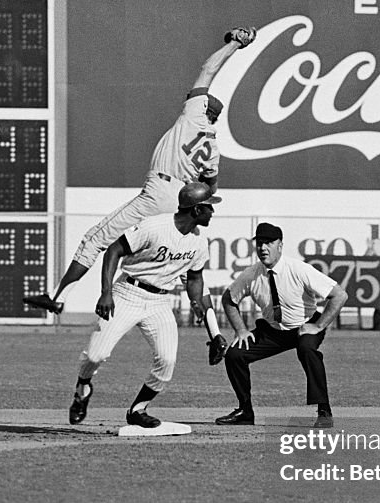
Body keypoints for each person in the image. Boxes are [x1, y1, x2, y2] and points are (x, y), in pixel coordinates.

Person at [24, 28, 257, 315]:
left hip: (160, 190)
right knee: (188, 266)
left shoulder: (194, 114)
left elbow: (208, 69)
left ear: (203, 107)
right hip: (184, 199)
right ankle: (213, 331)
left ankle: (59, 297)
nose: (188, 99)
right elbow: (211, 190)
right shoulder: (214, 149)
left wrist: (235, 43)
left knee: (96, 239)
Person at [68, 182, 222, 428]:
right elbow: (113, 250)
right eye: (208, 207)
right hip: (128, 292)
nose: (212, 212)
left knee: (167, 361)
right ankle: (83, 387)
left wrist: (205, 318)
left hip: (160, 301)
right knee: (96, 354)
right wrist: (106, 293)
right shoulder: (155, 226)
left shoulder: (199, 243)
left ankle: (138, 410)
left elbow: (195, 279)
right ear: (195, 210)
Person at [214, 223, 348, 429]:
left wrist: (319, 326)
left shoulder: (299, 269)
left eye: (269, 242)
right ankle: (245, 411)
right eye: (259, 243)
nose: (263, 248)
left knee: (307, 349)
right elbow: (228, 299)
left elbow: (339, 295)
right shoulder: (251, 274)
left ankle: (324, 412)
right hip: (272, 331)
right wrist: (240, 330)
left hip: (305, 326)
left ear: (280, 245)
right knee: (234, 354)